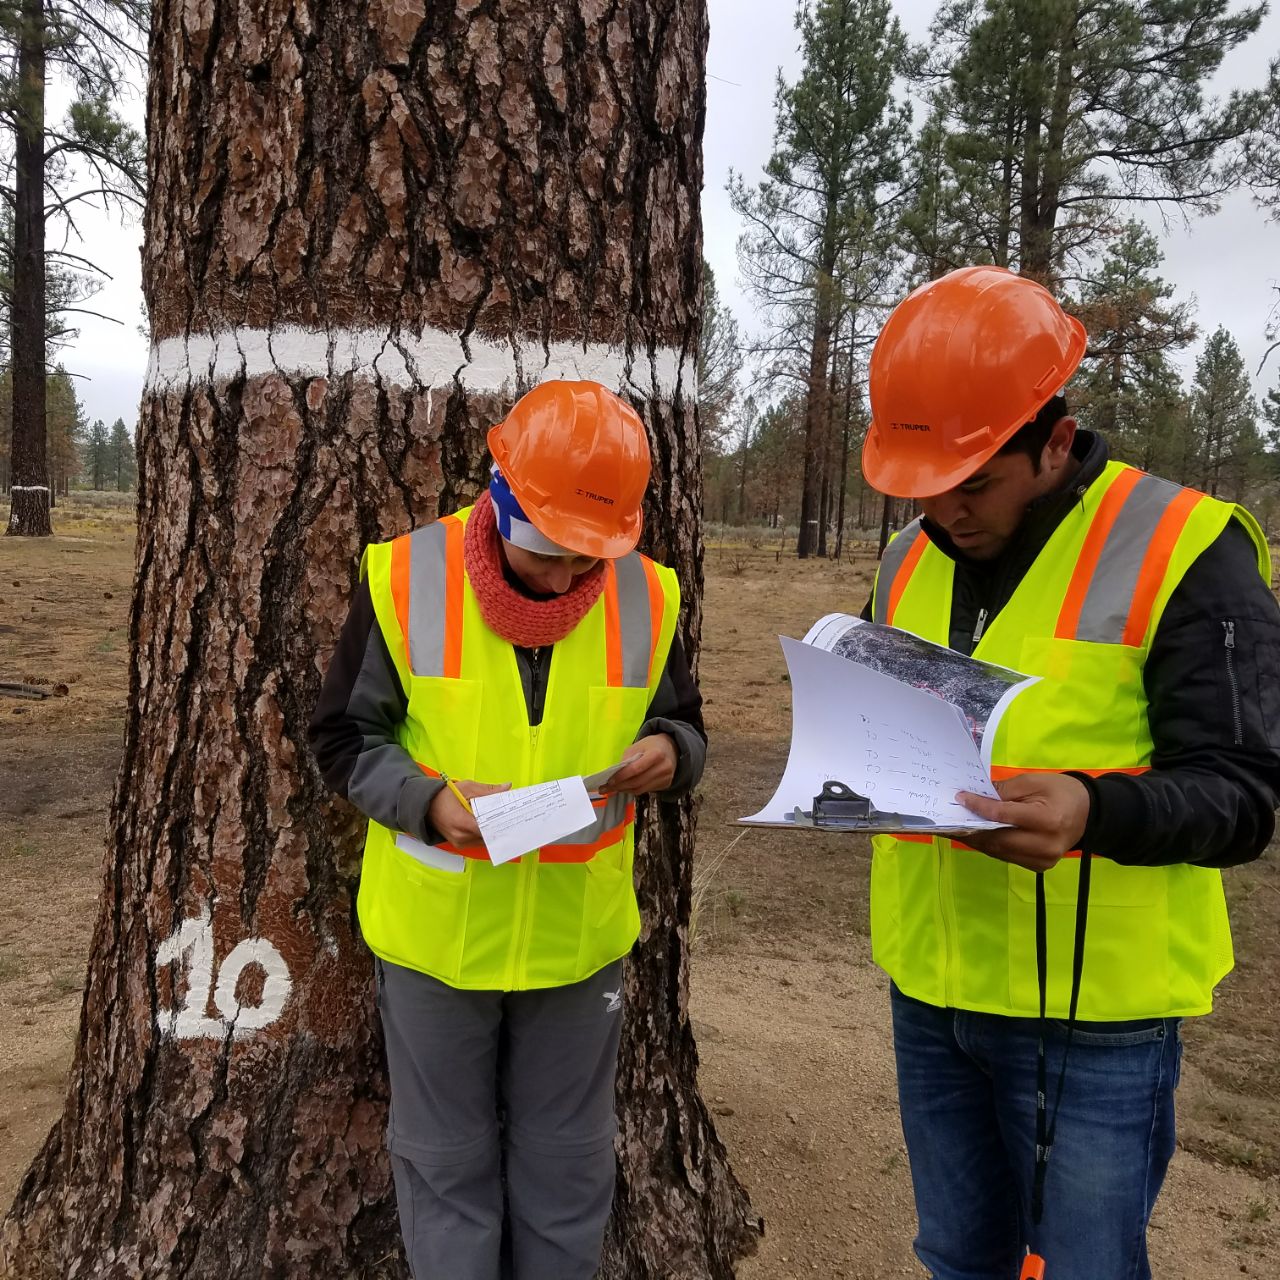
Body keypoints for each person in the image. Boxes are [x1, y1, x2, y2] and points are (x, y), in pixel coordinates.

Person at [859, 265, 1280, 1280]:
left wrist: (1092, 808)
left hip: (1097, 1020)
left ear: (1052, 439)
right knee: (958, 1255)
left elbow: (1243, 790)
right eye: (922, 486)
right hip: (929, 990)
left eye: (974, 482)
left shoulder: (1182, 546)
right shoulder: (905, 558)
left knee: (1085, 1263)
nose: (943, 513)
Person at [309, 379, 706, 1280]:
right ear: (500, 492)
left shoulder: (647, 596)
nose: (568, 578)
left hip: (578, 944)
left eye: (588, 558)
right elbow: (343, 738)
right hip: (436, 942)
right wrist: (433, 803)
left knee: (568, 1168)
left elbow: (687, 727)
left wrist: (671, 755)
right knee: (445, 1166)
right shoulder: (406, 577)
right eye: (549, 551)